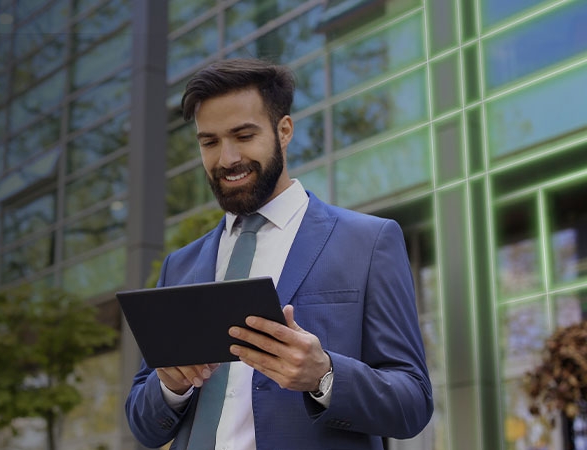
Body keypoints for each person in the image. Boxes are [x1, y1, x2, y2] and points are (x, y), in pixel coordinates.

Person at [125, 58, 433, 449]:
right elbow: (144, 426)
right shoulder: (180, 265)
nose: (227, 158)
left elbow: (413, 403)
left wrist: (325, 375)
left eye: (244, 135)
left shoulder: (368, 243)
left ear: (283, 131)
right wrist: (169, 386)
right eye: (210, 142)